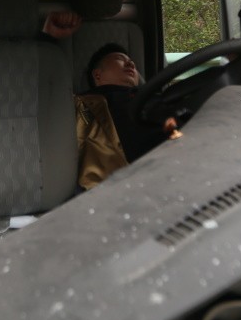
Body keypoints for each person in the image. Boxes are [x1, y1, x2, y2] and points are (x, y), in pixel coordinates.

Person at [43, 11, 167, 190]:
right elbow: (40, 90)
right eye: (120, 59)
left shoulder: (154, 97)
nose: (131, 64)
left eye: (132, 61)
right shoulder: (81, 104)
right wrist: (47, 37)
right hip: (125, 187)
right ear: (97, 74)